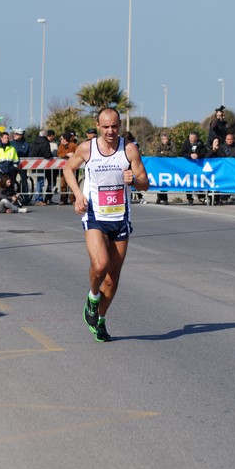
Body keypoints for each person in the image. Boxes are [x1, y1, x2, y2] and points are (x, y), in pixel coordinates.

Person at [63, 107, 150, 342]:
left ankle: (100, 319)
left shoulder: (129, 149)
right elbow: (68, 169)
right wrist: (78, 194)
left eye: (114, 126)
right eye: (105, 126)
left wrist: (136, 179)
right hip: (95, 216)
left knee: (112, 279)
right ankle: (92, 298)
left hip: (120, 218)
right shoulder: (87, 148)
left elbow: (145, 183)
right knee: (100, 265)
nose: (110, 131)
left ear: (119, 126)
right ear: (98, 126)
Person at [181, 132, 206, 204]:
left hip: (198, 167)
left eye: (192, 138)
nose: (191, 139)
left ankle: (201, 196)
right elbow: (182, 153)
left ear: (196, 138)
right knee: (188, 182)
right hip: (188, 166)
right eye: (190, 138)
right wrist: (190, 155)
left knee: (199, 181)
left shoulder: (200, 144)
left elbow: (204, 152)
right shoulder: (186, 143)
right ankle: (189, 198)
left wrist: (198, 155)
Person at [31, 129, 53, 206]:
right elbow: (47, 154)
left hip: (34, 163)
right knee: (40, 182)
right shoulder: (45, 142)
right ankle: (38, 199)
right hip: (43, 164)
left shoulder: (34, 141)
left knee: (38, 181)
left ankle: (37, 198)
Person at [10, 128, 31, 205]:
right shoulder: (11, 143)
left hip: (23, 166)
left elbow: (30, 155)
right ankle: (12, 197)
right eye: (14, 134)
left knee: (24, 182)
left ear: (21, 135)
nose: (14, 135)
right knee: (11, 181)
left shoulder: (26, 144)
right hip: (13, 166)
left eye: (17, 134)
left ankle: (26, 198)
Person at [155, 132, 177, 204]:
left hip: (169, 166)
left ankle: (165, 199)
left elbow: (174, 154)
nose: (166, 141)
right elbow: (157, 154)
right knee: (160, 182)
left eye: (166, 139)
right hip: (160, 166)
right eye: (164, 139)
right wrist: (165, 153)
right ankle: (159, 197)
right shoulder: (159, 145)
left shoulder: (172, 144)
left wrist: (164, 152)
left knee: (166, 182)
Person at [57, 132, 77, 205]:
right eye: (61, 139)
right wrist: (66, 154)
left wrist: (73, 155)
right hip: (64, 168)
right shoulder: (61, 146)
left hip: (72, 168)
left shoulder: (73, 145)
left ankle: (72, 199)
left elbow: (77, 154)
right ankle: (63, 199)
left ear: (67, 139)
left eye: (63, 139)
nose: (62, 140)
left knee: (72, 184)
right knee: (63, 184)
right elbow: (59, 154)